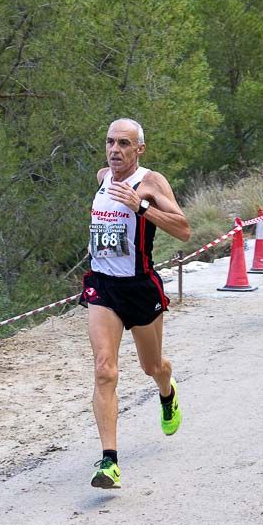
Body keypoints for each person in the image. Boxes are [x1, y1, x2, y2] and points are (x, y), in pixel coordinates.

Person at [81, 118, 191, 489]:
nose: (115, 150)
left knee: (151, 366)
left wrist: (141, 208)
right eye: (110, 142)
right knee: (104, 370)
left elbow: (183, 228)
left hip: (140, 287)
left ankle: (166, 388)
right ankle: (109, 461)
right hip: (103, 286)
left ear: (139, 149)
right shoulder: (101, 177)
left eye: (124, 144)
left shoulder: (151, 182)